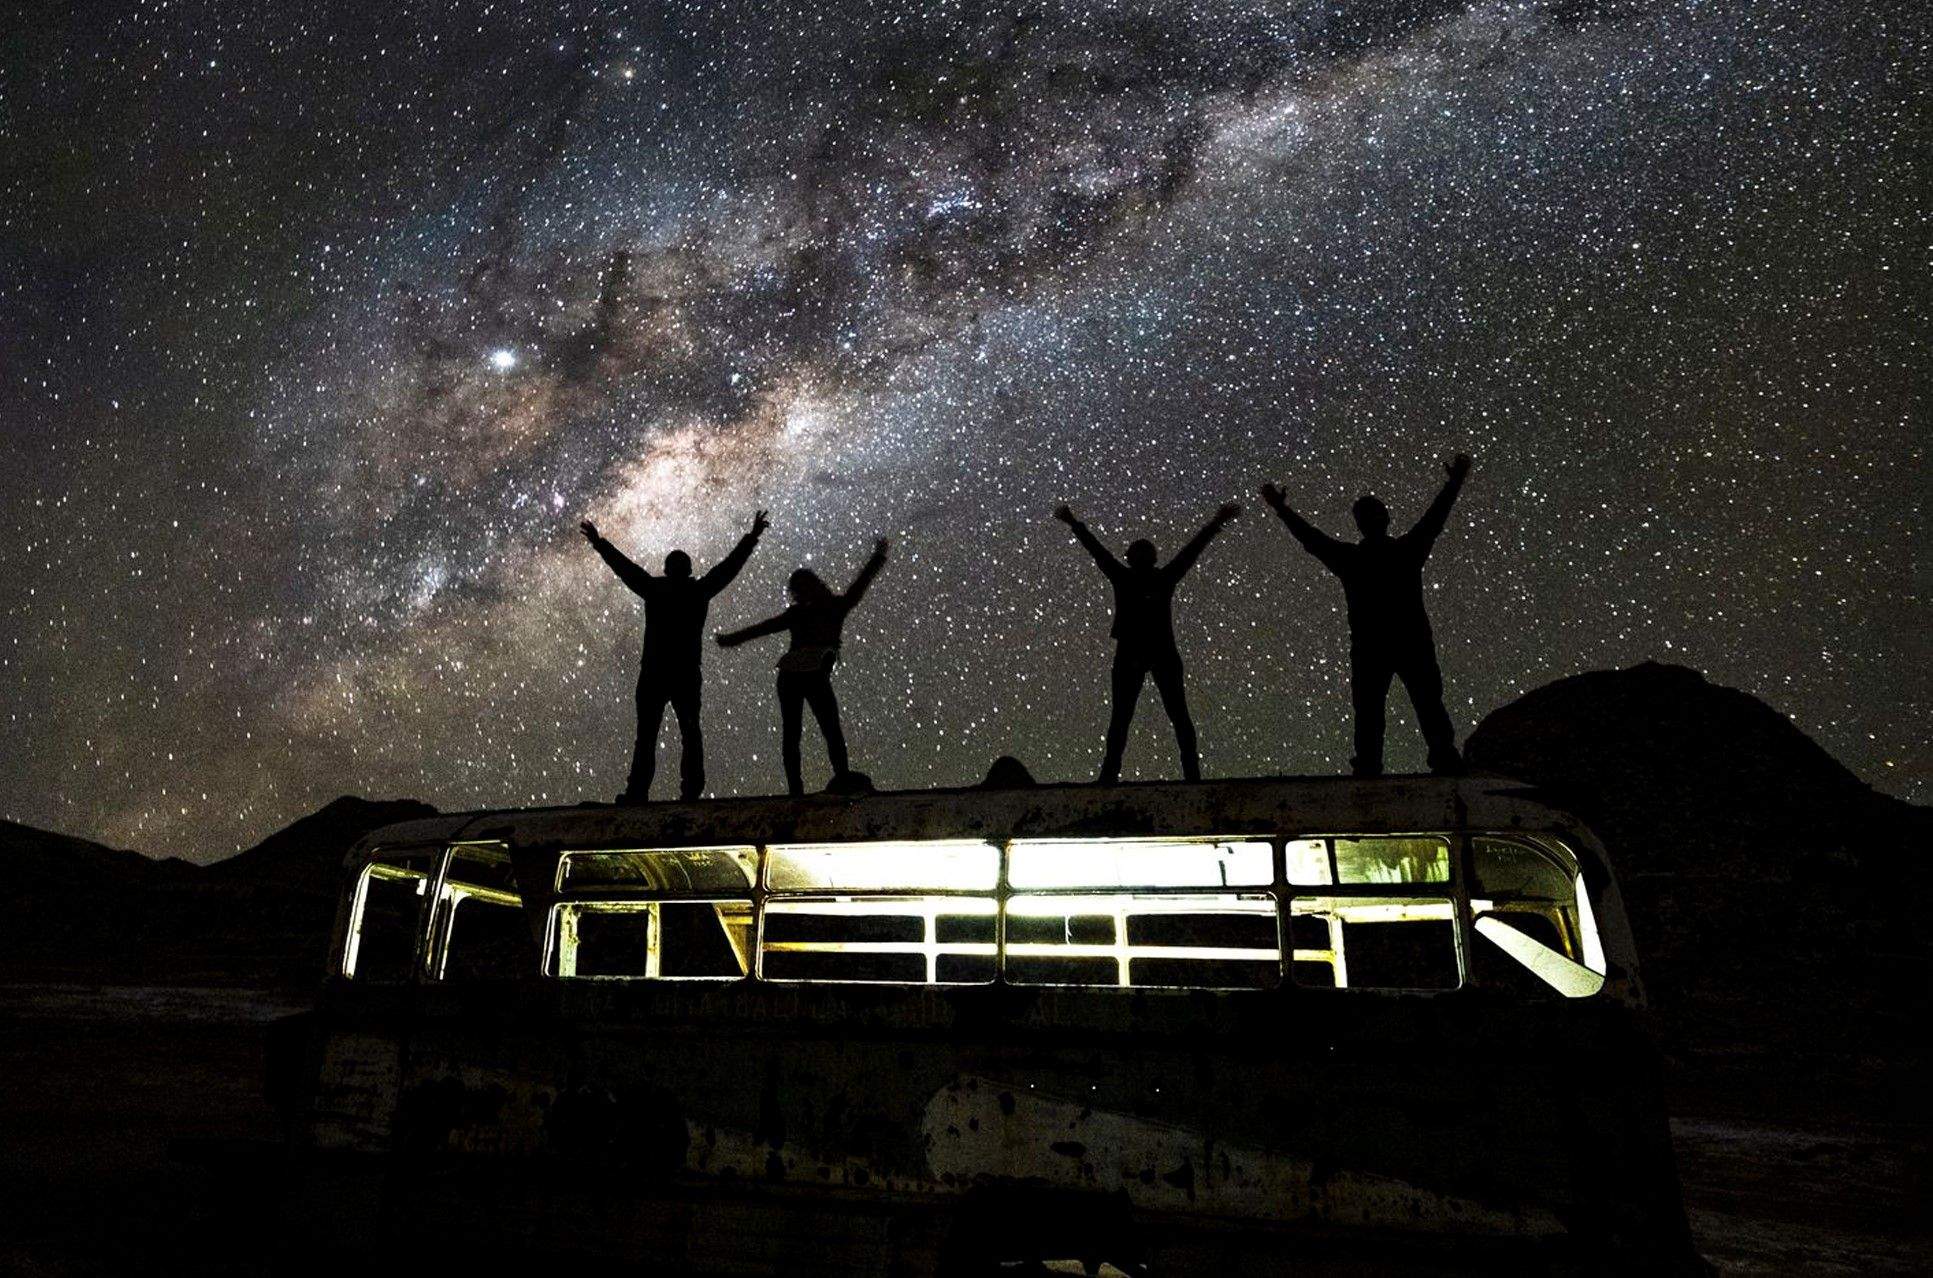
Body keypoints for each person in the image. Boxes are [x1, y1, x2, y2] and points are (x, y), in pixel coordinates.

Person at [1260, 454, 1471, 777]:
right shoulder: (1405, 551)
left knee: (1373, 712)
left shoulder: (1352, 559)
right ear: (1386, 519)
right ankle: (1441, 757)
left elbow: (1310, 538)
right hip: (1410, 641)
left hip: (1372, 648)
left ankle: (1372, 765)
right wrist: (1454, 482)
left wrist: (1280, 508)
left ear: (1359, 524)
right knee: (1425, 704)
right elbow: (1435, 518)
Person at [581, 510, 768, 803]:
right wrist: (752, 537)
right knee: (690, 732)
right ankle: (690, 790)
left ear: (667, 570)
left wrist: (599, 543)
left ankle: (638, 791)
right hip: (684, 673)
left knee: (648, 736)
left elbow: (625, 569)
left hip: (655, 672)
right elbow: (729, 568)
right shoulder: (698, 590)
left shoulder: (655, 589)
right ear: (688, 569)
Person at [1055, 502, 1240, 784]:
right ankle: (1190, 775)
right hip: (1154, 651)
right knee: (1168, 715)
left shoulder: (1130, 577)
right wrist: (1215, 523)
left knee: (1130, 717)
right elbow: (1190, 552)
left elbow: (1099, 552)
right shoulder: (1161, 578)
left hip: (1138, 652)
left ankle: (1110, 776)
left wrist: (1074, 523)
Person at [715, 539, 889, 796]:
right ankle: (832, 779)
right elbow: (860, 585)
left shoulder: (813, 611)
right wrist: (877, 558)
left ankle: (800, 788)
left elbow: (762, 628)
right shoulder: (831, 608)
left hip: (794, 675)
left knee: (798, 732)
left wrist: (732, 640)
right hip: (806, 675)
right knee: (824, 728)